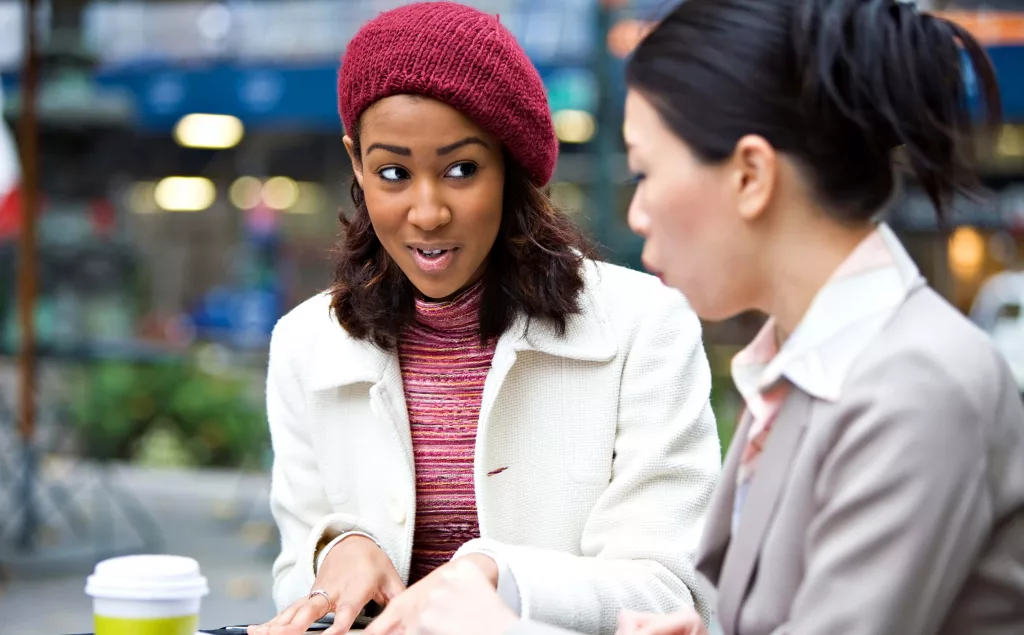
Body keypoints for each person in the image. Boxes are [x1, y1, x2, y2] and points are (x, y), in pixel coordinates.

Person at [411, 1, 1024, 634]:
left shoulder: (914, 388)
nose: (637, 214)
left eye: (646, 172)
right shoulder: (808, 375)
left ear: (751, 175)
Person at [247, 4, 722, 635]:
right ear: (356, 164)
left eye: (461, 169)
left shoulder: (645, 327)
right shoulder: (307, 343)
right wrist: (335, 552)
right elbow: (295, 567)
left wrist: (498, 578)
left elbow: (676, 592)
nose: (427, 211)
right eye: (393, 173)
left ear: (511, 165)